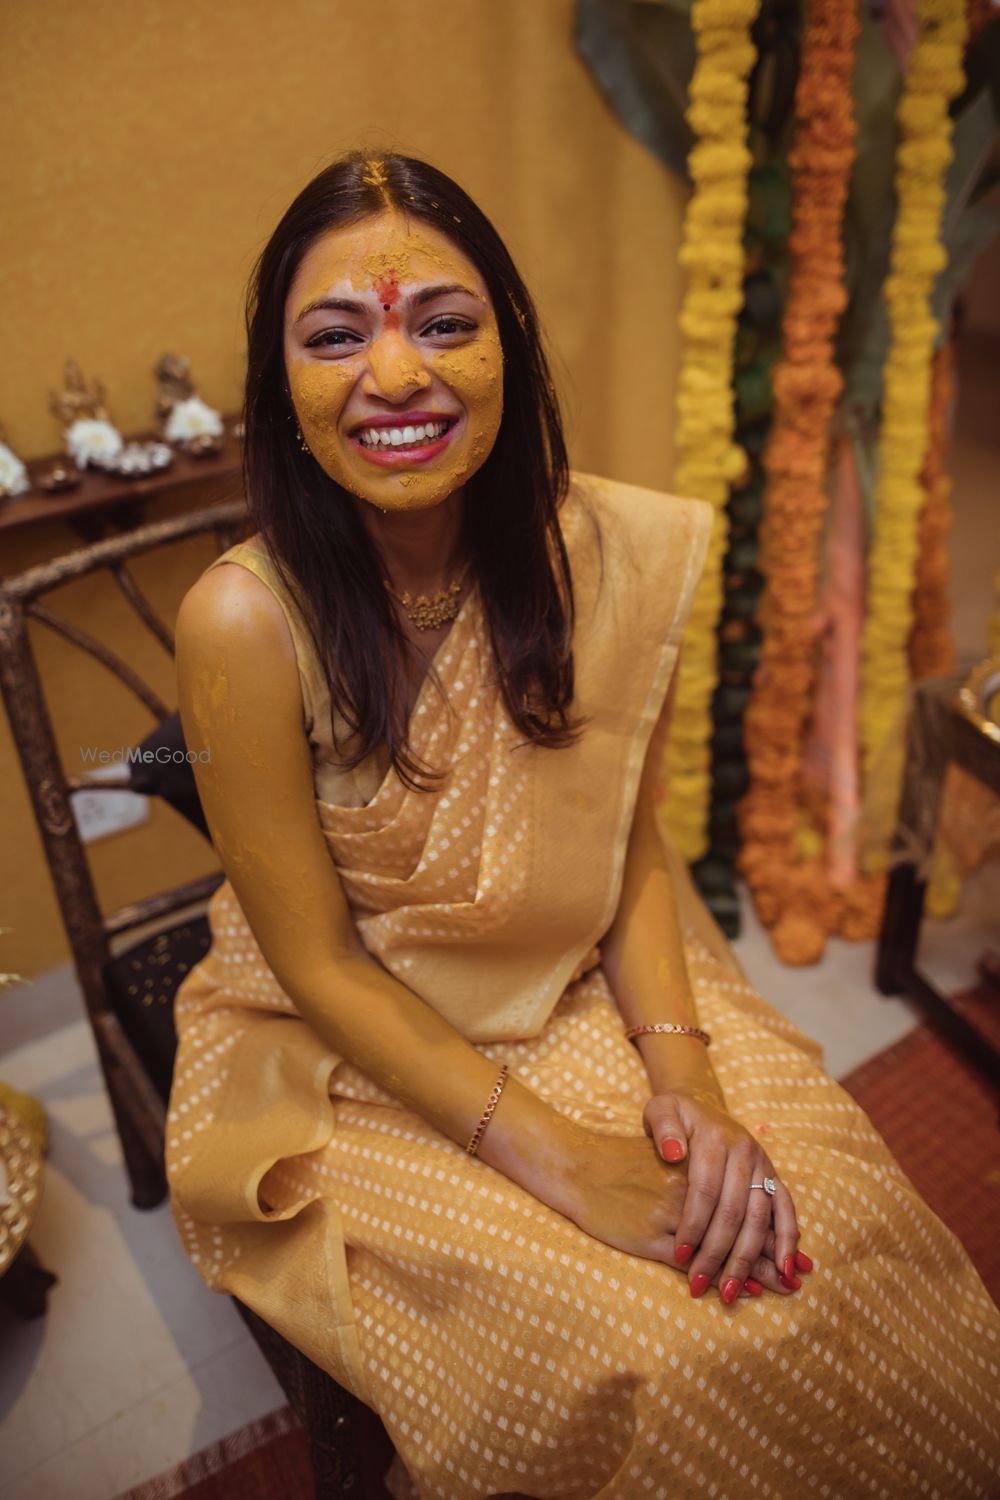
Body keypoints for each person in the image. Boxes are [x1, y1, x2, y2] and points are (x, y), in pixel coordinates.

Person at [166, 151, 1000, 1500]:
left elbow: (620, 845)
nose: (395, 376)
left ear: (511, 345)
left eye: (444, 322)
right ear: (281, 386)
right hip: (344, 1043)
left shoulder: (602, 552)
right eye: (337, 336)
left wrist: (689, 1086)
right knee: (645, 1359)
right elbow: (318, 965)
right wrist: (562, 1163)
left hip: (587, 972)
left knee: (835, 1226)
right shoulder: (244, 623)